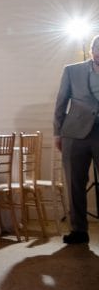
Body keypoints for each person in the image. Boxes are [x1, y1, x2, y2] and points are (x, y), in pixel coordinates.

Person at [53, 33, 99, 245]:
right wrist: (57, 132)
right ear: (92, 52)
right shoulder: (72, 71)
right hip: (75, 134)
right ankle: (79, 230)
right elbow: (61, 101)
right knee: (75, 182)